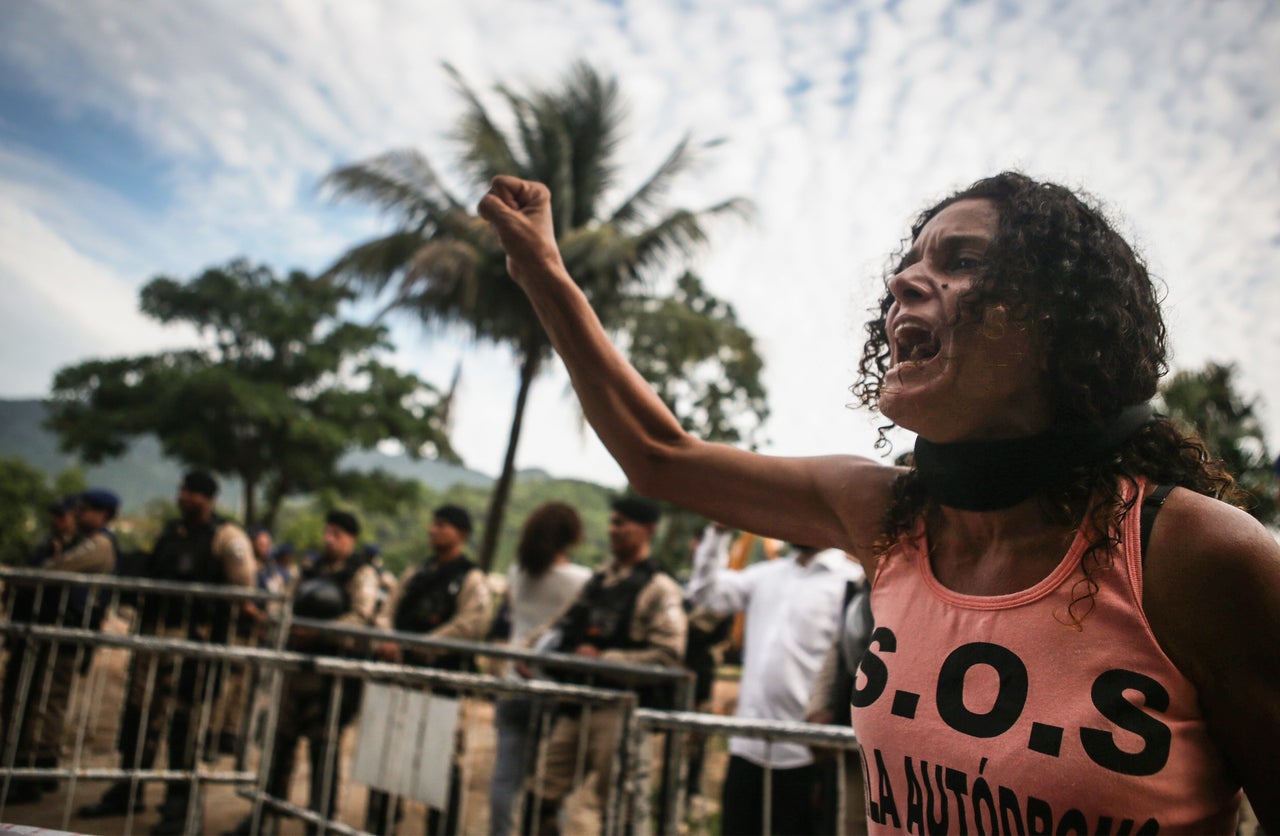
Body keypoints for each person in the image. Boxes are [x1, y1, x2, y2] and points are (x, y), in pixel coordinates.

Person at [478, 172, 1280, 832]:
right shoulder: (889, 516)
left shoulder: (1199, 558)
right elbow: (661, 457)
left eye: (961, 260)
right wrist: (543, 273)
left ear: (1060, 322)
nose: (902, 281)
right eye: (910, 262)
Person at [79, 472, 253, 834]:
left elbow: (244, 588)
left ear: (206, 499)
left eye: (189, 492)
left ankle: (180, 808)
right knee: (139, 715)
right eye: (182, 490)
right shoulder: (173, 534)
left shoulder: (226, 537)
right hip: (153, 638)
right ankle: (128, 789)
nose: (182, 497)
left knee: (184, 725)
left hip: (193, 643)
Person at [524, 496, 687, 834]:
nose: (613, 530)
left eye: (621, 524)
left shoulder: (659, 588)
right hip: (575, 703)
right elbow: (559, 623)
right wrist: (530, 652)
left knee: (620, 808)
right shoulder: (598, 580)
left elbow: (669, 655)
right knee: (541, 795)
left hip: (619, 709)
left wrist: (604, 661)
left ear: (647, 531)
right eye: (612, 522)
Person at [687, 526, 864, 835]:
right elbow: (706, 592)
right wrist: (717, 533)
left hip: (806, 752)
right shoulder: (767, 574)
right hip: (748, 742)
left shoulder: (848, 581)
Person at [226, 509, 378, 836]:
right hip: (295, 671)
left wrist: (321, 632)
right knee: (280, 746)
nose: (329, 539)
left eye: (337, 534)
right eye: (328, 532)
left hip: (331, 678)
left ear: (351, 539)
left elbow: (362, 617)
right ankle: (265, 815)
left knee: (323, 752)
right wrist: (278, 622)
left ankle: (320, 823)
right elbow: (286, 602)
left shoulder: (361, 574)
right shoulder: (310, 570)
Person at [366, 504, 491, 835]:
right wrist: (388, 639)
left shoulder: (471, 577)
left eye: (444, 526)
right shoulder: (414, 573)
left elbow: (470, 625)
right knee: (385, 757)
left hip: (440, 684)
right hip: (398, 679)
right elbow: (386, 611)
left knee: (440, 765)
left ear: (462, 534)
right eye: (433, 524)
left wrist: (413, 646)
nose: (434, 530)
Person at [2, 490, 118, 804]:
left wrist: (29, 574)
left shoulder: (100, 544)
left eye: (86, 510)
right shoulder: (73, 541)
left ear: (102, 513)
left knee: (46, 700)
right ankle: (29, 764)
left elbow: (55, 571)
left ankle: (36, 768)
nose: (79, 515)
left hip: (63, 632)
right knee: (32, 697)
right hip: (48, 630)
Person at [488, 501, 592, 836]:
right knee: (548, 786)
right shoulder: (580, 580)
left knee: (505, 777)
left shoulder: (518, 571)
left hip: (512, 681)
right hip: (549, 685)